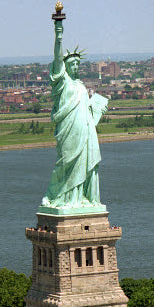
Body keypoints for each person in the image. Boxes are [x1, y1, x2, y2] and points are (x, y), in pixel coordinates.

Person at [41, 11, 107, 209]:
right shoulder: (62, 83)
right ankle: (60, 197)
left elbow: (87, 111)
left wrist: (97, 111)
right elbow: (57, 57)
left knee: (85, 163)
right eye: (72, 63)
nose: (76, 66)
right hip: (69, 131)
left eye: (78, 63)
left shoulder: (81, 86)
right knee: (66, 163)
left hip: (85, 131)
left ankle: (81, 198)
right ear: (65, 66)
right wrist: (58, 34)